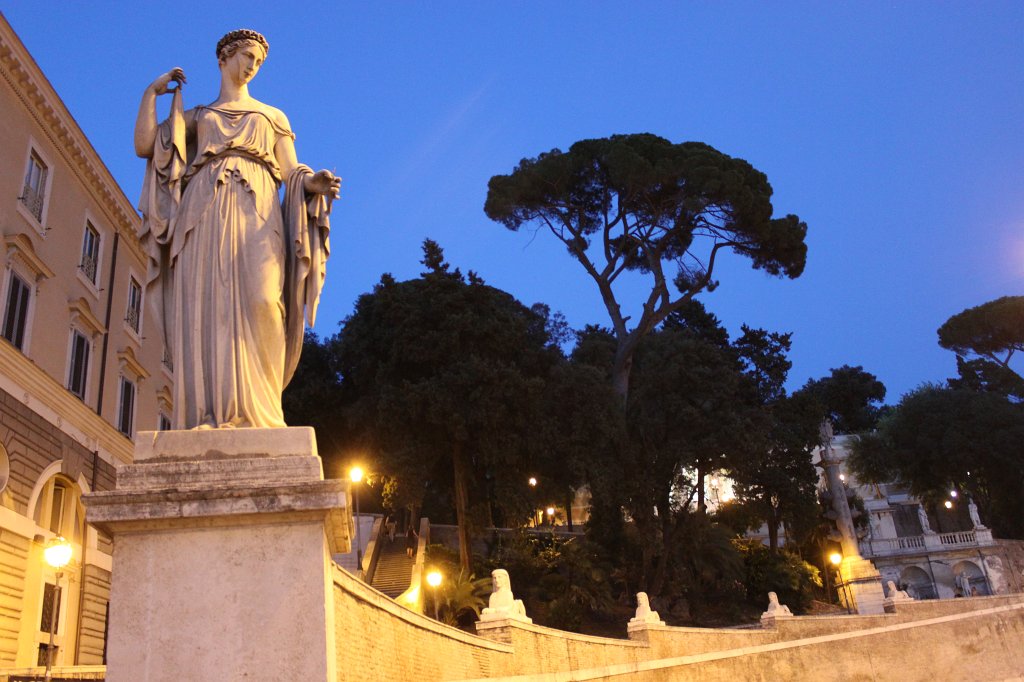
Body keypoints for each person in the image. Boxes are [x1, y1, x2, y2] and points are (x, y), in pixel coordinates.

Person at [134, 29, 340, 429]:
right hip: (203, 213)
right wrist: (151, 94)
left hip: (259, 208)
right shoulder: (198, 116)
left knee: (264, 301)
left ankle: (259, 414)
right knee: (204, 307)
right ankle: (205, 413)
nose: (252, 66)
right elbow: (145, 145)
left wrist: (313, 183)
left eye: (258, 61)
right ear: (224, 58)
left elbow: (291, 169)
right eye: (246, 56)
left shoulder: (272, 116)